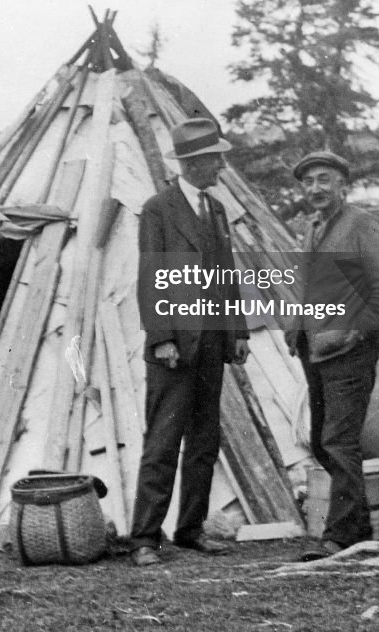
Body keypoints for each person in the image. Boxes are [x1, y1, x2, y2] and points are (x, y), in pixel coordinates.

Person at [130, 118, 250, 567]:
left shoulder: (215, 210)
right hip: (175, 349)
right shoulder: (158, 209)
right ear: (194, 163)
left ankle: (190, 529)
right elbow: (150, 277)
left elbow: (227, 276)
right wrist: (162, 338)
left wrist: (237, 331)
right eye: (215, 159)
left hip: (212, 345)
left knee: (204, 442)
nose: (221, 166)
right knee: (163, 443)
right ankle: (144, 538)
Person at [287, 151, 379, 560]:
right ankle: (359, 524)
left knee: (338, 441)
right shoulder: (312, 227)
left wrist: (354, 331)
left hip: (350, 352)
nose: (315, 189)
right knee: (323, 442)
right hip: (316, 349)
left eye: (324, 179)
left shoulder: (360, 224)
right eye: (308, 182)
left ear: (343, 185)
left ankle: (339, 535)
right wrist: (297, 328)